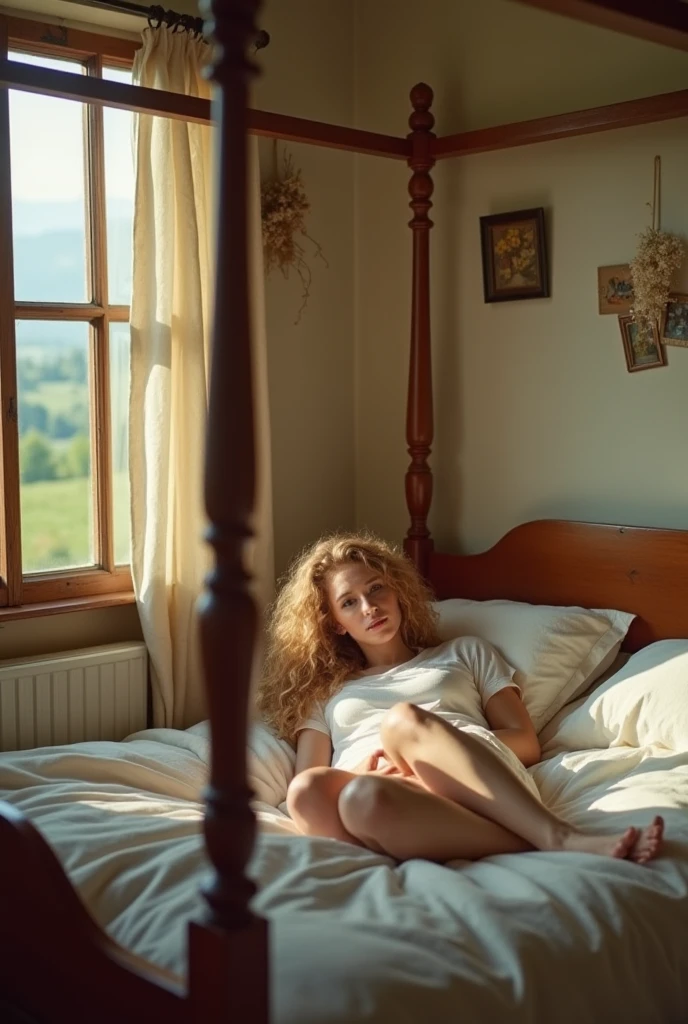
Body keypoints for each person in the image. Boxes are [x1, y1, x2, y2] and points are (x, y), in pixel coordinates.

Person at [257, 534, 664, 865]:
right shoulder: (326, 691)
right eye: (349, 602)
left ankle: (557, 835)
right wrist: (371, 766)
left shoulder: (464, 652)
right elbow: (307, 775)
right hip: (375, 790)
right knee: (315, 792)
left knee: (402, 722)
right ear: (335, 624)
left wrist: (419, 750)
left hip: (471, 776)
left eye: (377, 588)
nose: (370, 607)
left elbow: (525, 740)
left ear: (397, 591)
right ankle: (520, 843)